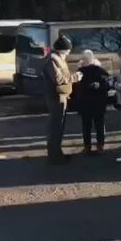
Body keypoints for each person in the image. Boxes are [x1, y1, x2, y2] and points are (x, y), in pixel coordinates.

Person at [42, 36, 82, 165]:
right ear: (63, 50)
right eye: (68, 50)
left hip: (61, 96)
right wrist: (75, 77)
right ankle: (55, 156)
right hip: (55, 97)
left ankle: (57, 153)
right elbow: (58, 79)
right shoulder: (52, 61)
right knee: (56, 127)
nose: (69, 52)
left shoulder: (58, 59)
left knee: (59, 127)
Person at [76, 49, 110, 156]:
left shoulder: (80, 72)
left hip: (85, 103)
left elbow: (77, 89)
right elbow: (107, 85)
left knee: (86, 126)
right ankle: (100, 145)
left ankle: (87, 147)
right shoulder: (100, 70)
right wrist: (99, 86)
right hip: (98, 103)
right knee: (99, 125)